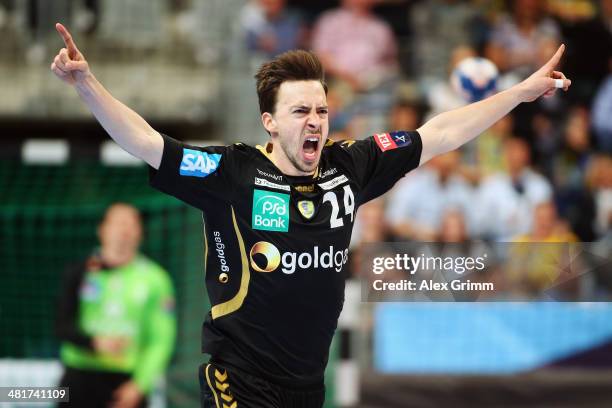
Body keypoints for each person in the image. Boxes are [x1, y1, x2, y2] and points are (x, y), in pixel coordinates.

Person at [50, 21, 571, 407]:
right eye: (300, 111)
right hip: (238, 381)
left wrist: (522, 92)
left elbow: (441, 133)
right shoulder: (232, 172)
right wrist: (86, 85)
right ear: (270, 122)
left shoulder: (351, 166)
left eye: (321, 110)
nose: (315, 121)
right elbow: (146, 141)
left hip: (307, 388)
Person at [56, 203, 176, 408]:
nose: (124, 230)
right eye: (118, 222)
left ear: (141, 233)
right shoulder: (79, 271)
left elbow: (161, 340)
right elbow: (61, 325)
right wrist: (95, 343)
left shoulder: (156, 279)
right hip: (78, 376)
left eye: (131, 223)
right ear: (102, 229)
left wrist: (140, 385)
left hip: (126, 382)